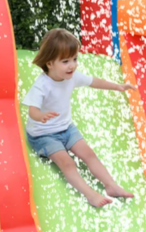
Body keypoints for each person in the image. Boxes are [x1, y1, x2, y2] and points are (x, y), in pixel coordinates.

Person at [22, 28, 136, 207]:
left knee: (89, 154)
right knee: (67, 163)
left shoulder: (72, 77)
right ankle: (90, 194)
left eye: (74, 59)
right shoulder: (42, 85)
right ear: (50, 63)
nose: (72, 65)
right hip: (43, 135)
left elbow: (94, 82)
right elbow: (32, 111)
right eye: (65, 61)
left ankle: (111, 186)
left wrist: (118, 87)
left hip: (66, 129)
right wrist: (41, 116)